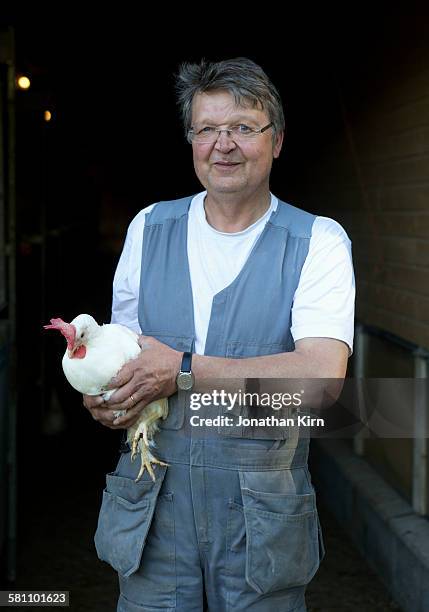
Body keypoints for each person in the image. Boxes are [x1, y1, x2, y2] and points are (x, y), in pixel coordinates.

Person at [83, 57, 355, 612]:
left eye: (243, 128)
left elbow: (323, 383)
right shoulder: (149, 227)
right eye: (207, 129)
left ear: (276, 141)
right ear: (191, 141)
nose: (222, 144)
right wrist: (106, 398)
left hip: (259, 519)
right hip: (154, 509)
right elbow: (120, 361)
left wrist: (184, 370)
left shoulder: (317, 241)